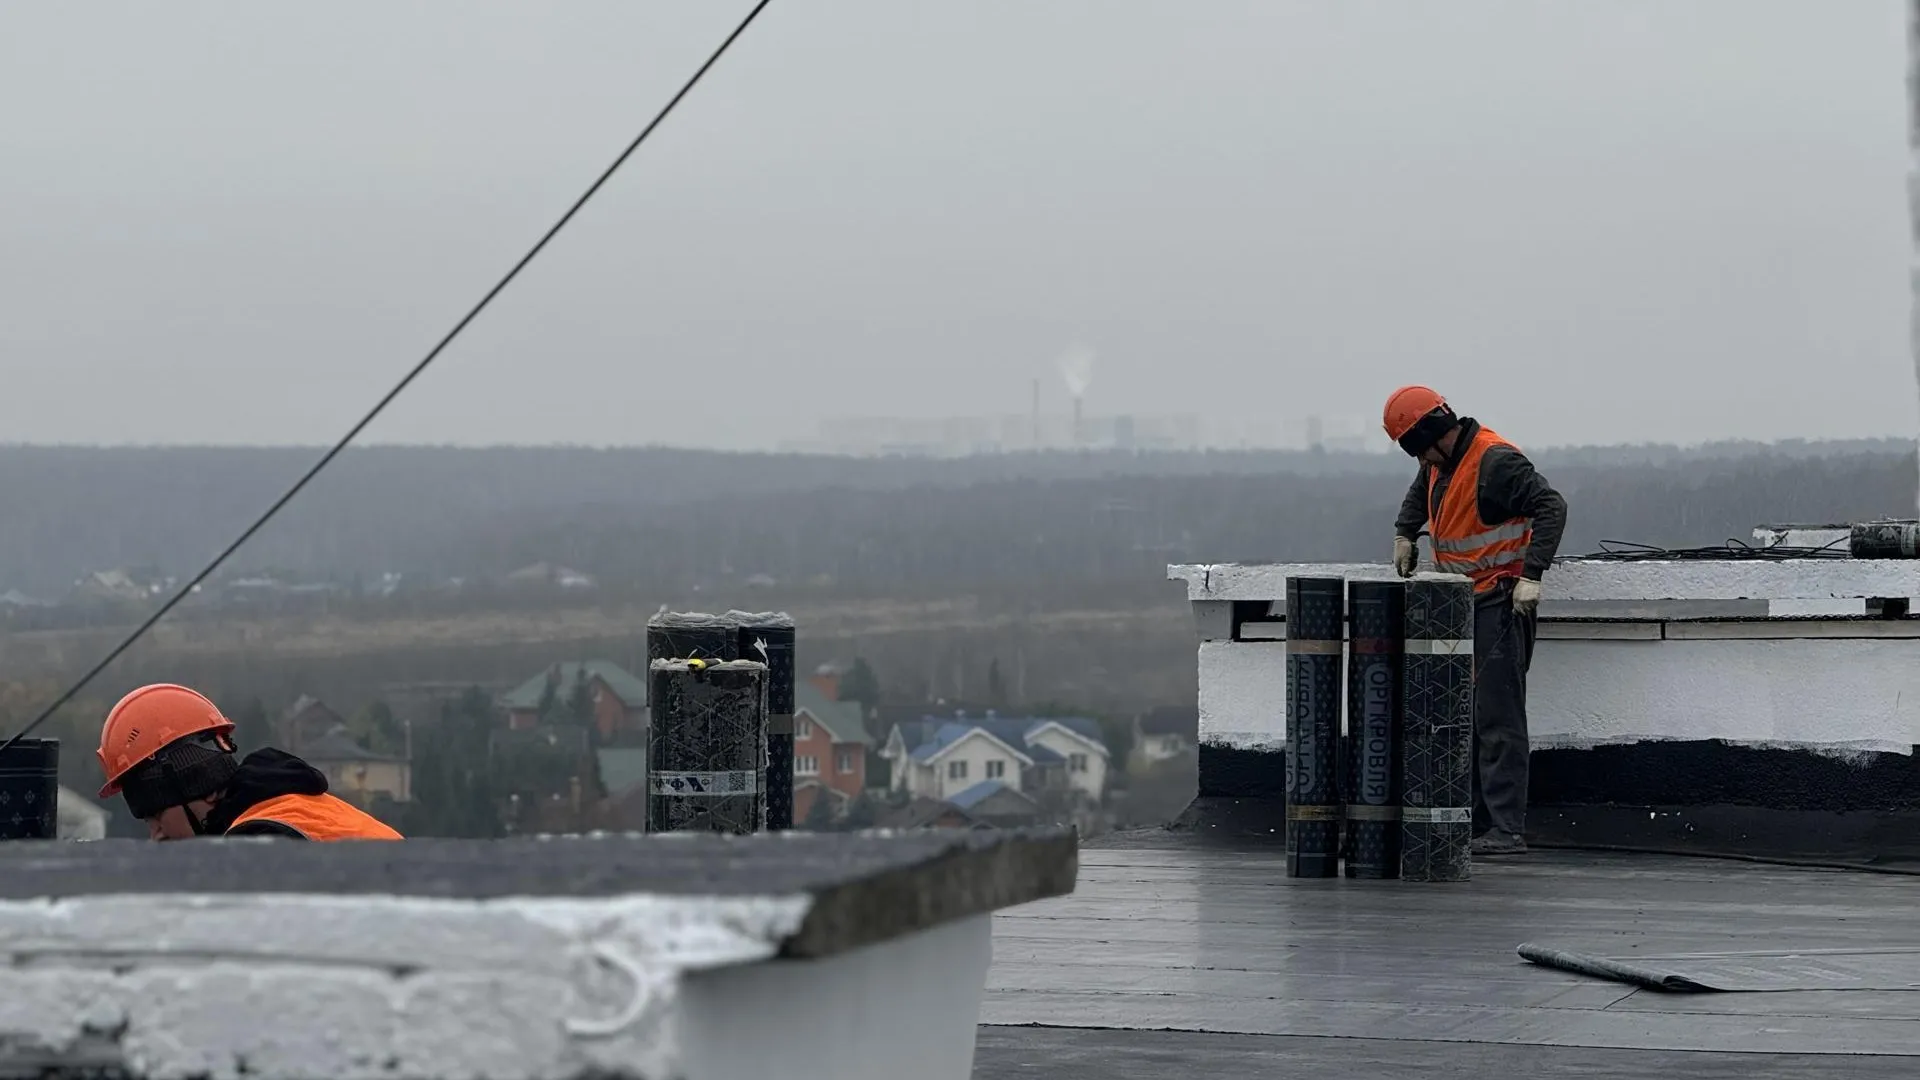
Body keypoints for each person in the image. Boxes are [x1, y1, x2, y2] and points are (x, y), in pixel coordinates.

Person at [1382, 385, 1566, 857]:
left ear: (1431, 432)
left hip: (1501, 601)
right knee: (1472, 716)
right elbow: (1422, 490)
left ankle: (1506, 829)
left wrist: (1532, 575)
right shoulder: (1440, 459)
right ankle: (1482, 822)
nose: (1418, 458)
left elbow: (1551, 506)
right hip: (1461, 602)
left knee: (1498, 717)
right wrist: (1406, 533)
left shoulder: (1494, 461)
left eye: (1416, 446)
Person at [96, 682, 404, 841]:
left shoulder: (261, 843)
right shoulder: (297, 809)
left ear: (196, 786)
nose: (156, 835)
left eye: (155, 815)